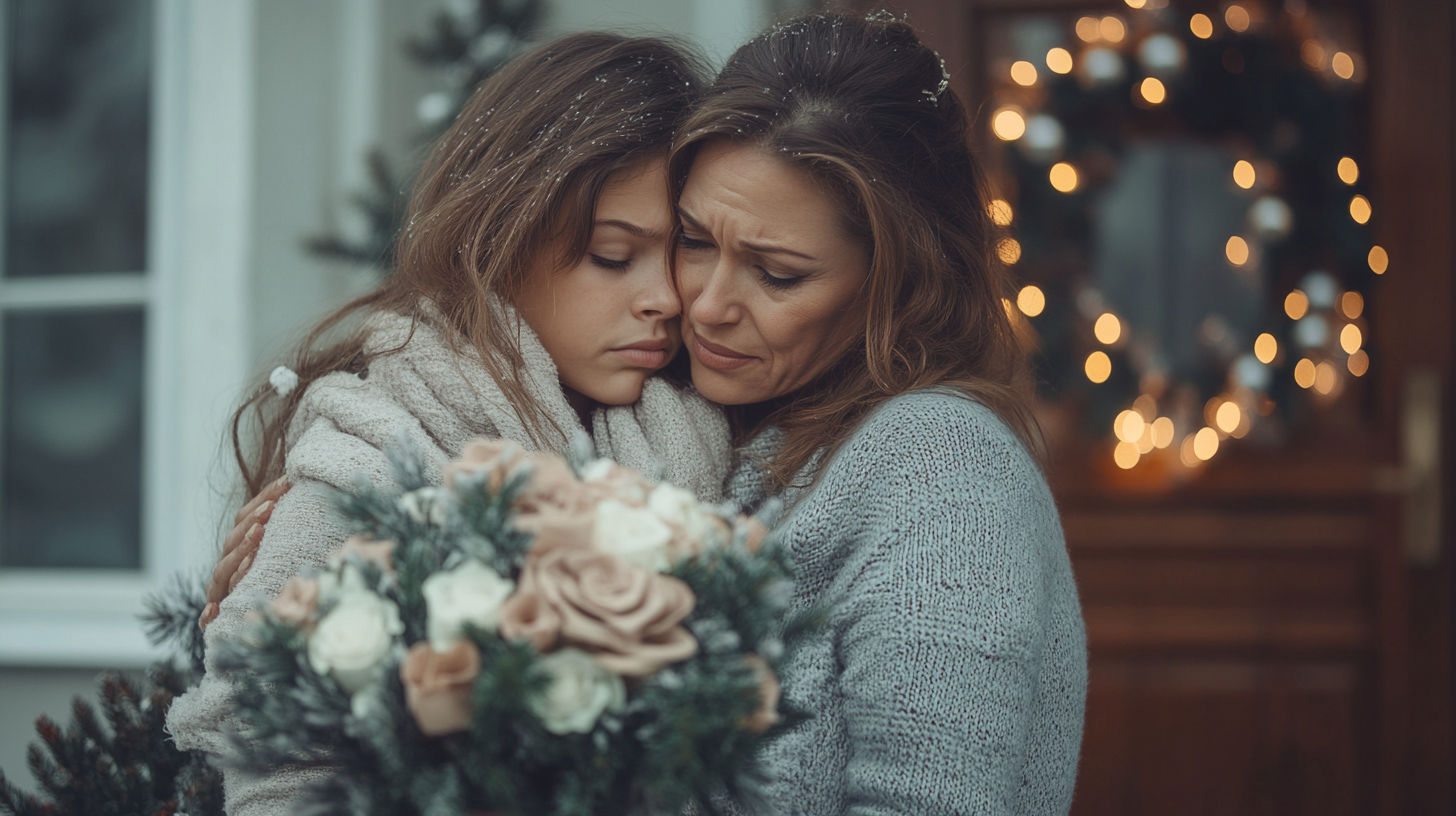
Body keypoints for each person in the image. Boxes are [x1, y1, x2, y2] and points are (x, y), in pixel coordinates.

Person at [166, 32, 729, 816]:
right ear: (499, 240)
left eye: (682, 255)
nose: (666, 299)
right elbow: (278, 775)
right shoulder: (367, 467)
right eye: (612, 254)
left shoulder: (696, 431)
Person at [667, 11, 1087, 815]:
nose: (708, 305)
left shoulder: (943, 469)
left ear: (900, 278)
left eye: (778, 275)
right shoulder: (725, 427)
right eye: (693, 241)